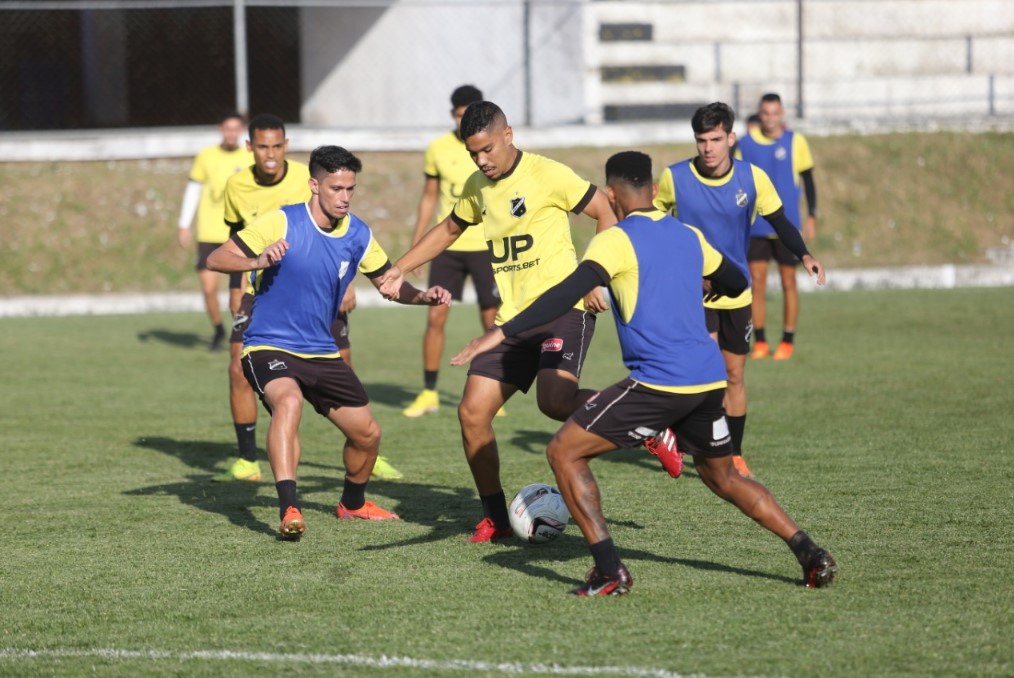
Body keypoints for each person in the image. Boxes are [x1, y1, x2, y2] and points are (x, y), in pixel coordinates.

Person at [450, 151, 837, 595]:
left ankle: (610, 571)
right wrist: (696, 295)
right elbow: (736, 281)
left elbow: (563, 296)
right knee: (725, 476)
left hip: (660, 382)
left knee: (563, 453)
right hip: (709, 380)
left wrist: (496, 335)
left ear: (611, 196)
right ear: (655, 191)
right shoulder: (688, 235)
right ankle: (809, 551)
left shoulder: (614, 241)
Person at [377, 100, 618, 543]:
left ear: (508, 135)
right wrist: (401, 267)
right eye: (473, 154)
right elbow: (450, 229)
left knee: (554, 401)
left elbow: (606, 211)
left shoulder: (549, 174)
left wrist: (594, 276)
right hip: (512, 320)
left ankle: (646, 414)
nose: (481, 160)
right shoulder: (476, 185)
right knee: (471, 412)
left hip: (563, 310)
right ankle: (496, 518)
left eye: (487, 149)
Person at [207, 145, 451, 539]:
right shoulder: (282, 223)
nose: (344, 197)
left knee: (367, 434)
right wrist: (258, 261)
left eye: (350, 188)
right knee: (287, 402)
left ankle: (353, 504)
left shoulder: (358, 233)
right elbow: (218, 258)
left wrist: (422, 296)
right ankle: (289, 508)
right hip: (269, 343)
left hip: (321, 351)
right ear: (314, 186)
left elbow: (389, 282)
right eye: (336, 188)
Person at [217, 115, 400, 482]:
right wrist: (239, 288)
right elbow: (233, 246)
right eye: (263, 147)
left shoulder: (312, 179)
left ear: (286, 145)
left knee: (341, 364)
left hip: (320, 291)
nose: (271, 154)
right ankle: (248, 458)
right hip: (263, 296)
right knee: (241, 368)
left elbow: (333, 238)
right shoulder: (236, 186)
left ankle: (366, 449)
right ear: (250, 148)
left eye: (278, 146)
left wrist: (346, 282)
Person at [653, 102, 826, 478]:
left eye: (716, 139)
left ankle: (733, 453)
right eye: (701, 140)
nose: (708, 148)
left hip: (737, 292)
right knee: (706, 369)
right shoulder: (675, 178)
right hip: (692, 293)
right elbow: (650, 223)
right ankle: (686, 440)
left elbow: (780, 220)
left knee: (734, 375)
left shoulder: (751, 177)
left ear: (732, 138)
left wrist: (805, 255)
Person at [402, 85, 502, 419]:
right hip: (449, 247)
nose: (464, 120)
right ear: (452, 115)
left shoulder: (491, 147)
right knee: (434, 315)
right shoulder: (438, 149)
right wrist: (419, 247)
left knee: (492, 320)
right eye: (460, 115)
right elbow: (429, 197)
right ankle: (429, 392)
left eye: (469, 114)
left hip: (486, 245)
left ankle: (495, 391)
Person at [736, 93, 818, 361]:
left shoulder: (795, 141)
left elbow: (807, 180)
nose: (770, 118)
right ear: (760, 114)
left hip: (787, 224)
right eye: (766, 113)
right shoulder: (745, 144)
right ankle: (760, 341)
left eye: (775, 113)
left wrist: (811, 216)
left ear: (782, 114)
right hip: (755, 225)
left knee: (788, 281)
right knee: (756, 282)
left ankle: (787, 340)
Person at [176, 112, 251, 351]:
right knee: (209, 289)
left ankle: (243, 333)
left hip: (238, 232)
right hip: (209, 232)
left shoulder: (249, 156)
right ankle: (218, 328)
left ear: (241, 130)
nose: (231, 133)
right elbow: (193, 189)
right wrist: (184, 224)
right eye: (227, 128)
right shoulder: (206, 156)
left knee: (241, 289)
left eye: (235, 128)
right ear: (221, 129)